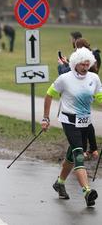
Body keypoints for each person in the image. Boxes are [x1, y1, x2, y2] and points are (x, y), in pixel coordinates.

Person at [41, 47, 102, 207]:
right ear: (75, 63)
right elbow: (49, 95)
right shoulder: (65, 79)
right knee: (79, 153)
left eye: (88, 64)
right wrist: (46, 117)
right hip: (69, 121)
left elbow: (99, 97)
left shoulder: (94, 78)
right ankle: (87, 191)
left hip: (85, 122)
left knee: (71, 154)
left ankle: (59, 182)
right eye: (82, 64)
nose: (85, 67)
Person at [59, 37, 99, 159]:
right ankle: (90, 149)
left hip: (81, 93)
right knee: (86, 125)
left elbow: (67, 73)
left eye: (76, 47)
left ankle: (86, 151)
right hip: (86, 93)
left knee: (85, 125)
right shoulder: (92, 56)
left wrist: (62, 65)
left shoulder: (84, 61)